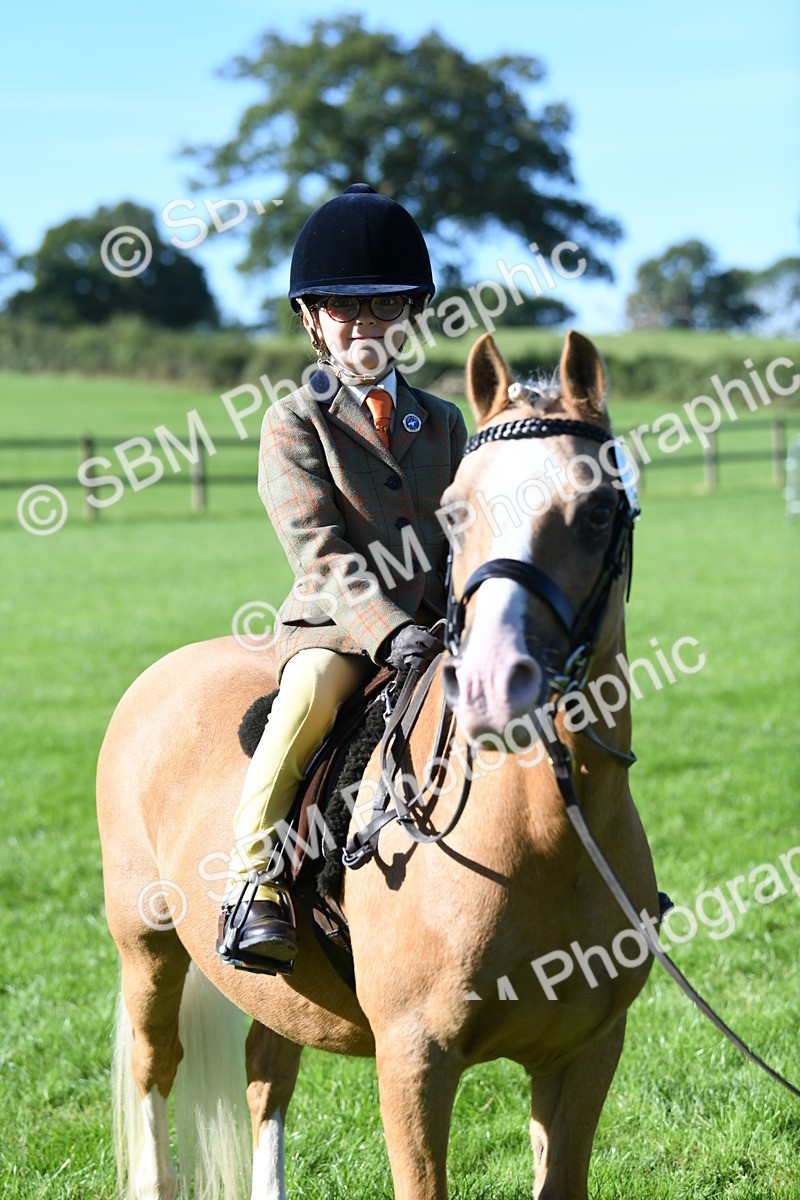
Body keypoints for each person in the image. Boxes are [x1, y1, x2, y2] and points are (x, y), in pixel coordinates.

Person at [217, 183, 469, 973]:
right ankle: (251, 882)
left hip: (441, 624)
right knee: (309, 697)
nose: (365, 322)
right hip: (340, 629)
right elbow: (318, 550)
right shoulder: (294, 419)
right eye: (342, 306)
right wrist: (388, 632)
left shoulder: (445, 420)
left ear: (410, 313)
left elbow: (466, 531)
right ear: (311, 318)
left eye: (385, 304)